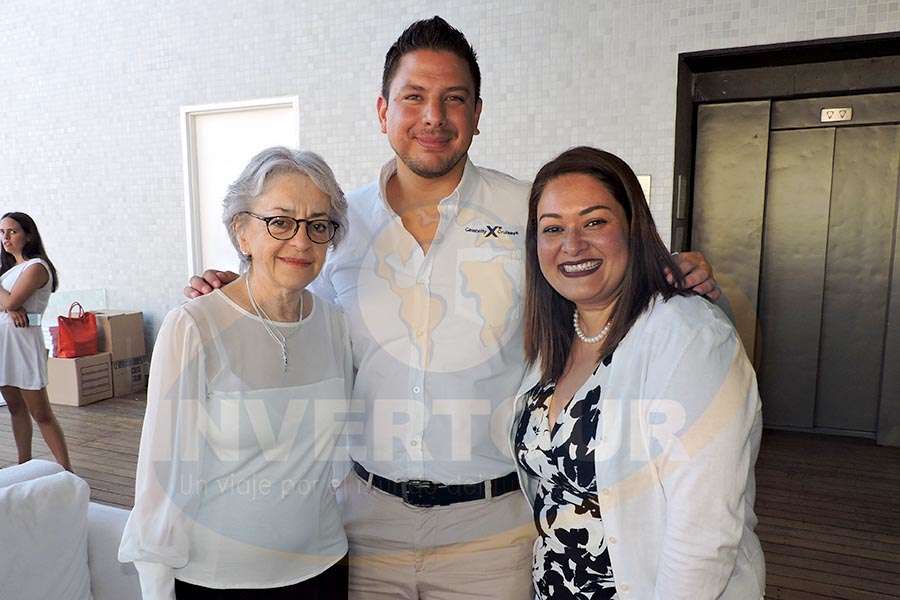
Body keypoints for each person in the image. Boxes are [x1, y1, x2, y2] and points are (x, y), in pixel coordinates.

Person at [185, 17, 720, 600]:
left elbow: (598, 280)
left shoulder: (528, 209)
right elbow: (292, 308)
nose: (433, 117)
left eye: (453, 99)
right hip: (365, 521)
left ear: (477, 112)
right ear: (383, 110)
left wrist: (665, 275)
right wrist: (230, 289)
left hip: (492, 530)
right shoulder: (338, 223)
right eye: (413, 97)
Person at [510, 146, 764, 599]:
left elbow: (704, 532)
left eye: (594, 222)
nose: (572, 244)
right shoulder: (554, 340)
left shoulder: (689, 336)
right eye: (553, 228)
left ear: (633, 228)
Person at [119, 148, 353, 599]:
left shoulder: (334, 323)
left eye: (318, 225)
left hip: (323, 566)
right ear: (241, 231)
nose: (301, 242)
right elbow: (160, 479)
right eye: (280, 222)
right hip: (219, 578)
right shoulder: (193, 327)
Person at [0, 211, 71, 471]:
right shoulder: (9, 272)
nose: (5, 237)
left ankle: (67, 470)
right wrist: (9, 305)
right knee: (15, 409)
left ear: (28, 235)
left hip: (23, 343)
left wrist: (9, 305)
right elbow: (9, 303)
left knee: (40, 413)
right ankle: (23, 466)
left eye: (12, 231)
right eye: (2, 232)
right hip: (4, 344)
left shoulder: (37, 267)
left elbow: (10, 301)